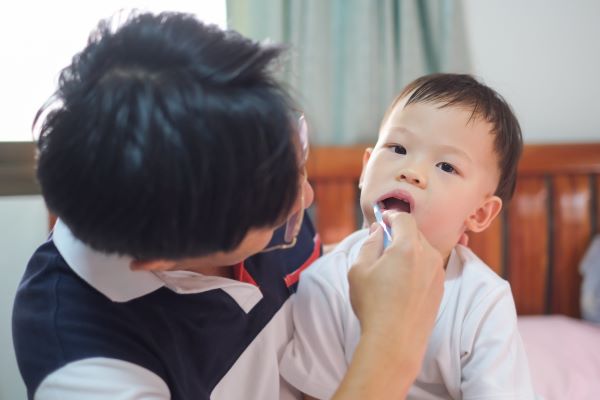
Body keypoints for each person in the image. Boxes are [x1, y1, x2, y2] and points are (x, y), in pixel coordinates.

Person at [12, 12, 445, 400]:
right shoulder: (91, 366)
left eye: (298, 157)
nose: (306, 198)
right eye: (281, 216)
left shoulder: (247, 170)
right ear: (160, 256)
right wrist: (392, 347)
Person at [280, 73, 539, 399]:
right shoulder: (325, 282)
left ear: (479, 214)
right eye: (398, 148)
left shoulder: (484, 300)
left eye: (446, 166)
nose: (411, 172)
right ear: (366, 168)